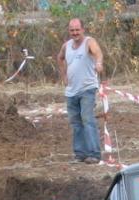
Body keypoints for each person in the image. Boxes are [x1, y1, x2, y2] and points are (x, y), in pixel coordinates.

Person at [57, 18, 104, 165]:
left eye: (77, 30)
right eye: (72, 30)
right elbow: (60, 58)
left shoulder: (89, 42)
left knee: (87, 119)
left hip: (87, 88)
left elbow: (98, 53)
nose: (75, 33)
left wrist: (99, 63)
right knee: (76, 123)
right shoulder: (66, 46)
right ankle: (80, 154)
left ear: (83, 29)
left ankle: (94, 154)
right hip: (71, 91)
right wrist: (64, 76)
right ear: (69, 31)